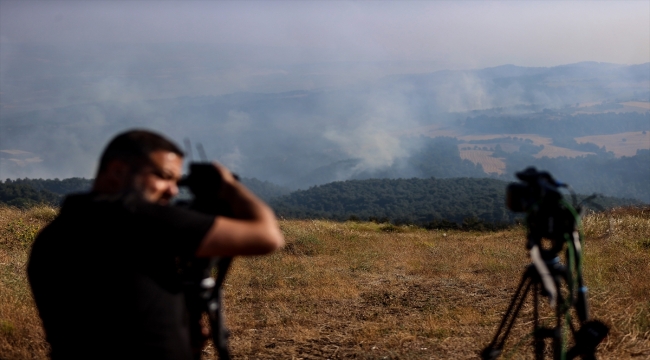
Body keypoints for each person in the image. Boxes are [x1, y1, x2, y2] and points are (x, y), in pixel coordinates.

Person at [27, 129, 284, 360]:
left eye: (177, 181)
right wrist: (228, 186)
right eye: (164, 177)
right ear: (117, 171)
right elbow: (267, 237)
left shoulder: (56, 232)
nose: (173, 191)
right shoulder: (135, 217)